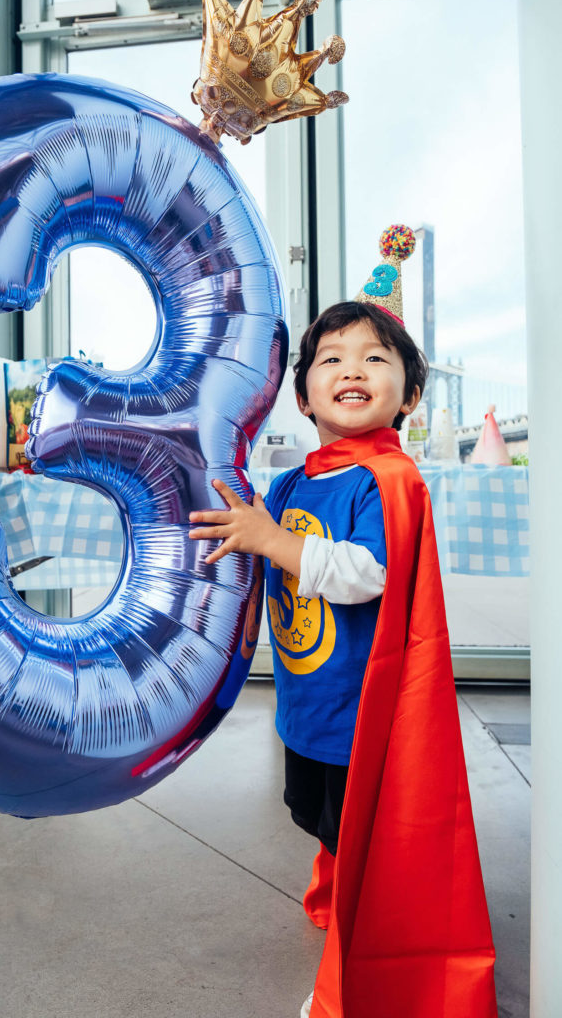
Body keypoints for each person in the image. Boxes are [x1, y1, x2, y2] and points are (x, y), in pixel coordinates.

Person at [188, 227, 498, 1018]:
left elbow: (365, 575)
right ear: (301, 396)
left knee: (363, 826)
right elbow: (266, 552)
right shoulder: (295, 478)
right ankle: (337, 875)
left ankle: (364, 942)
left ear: (409, 395)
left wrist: (274, 540)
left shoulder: (384, 478)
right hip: (310, 702)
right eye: (331, 358)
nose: (351, 369)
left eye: (374, 358)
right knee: (315, 811)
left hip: (365, 713)